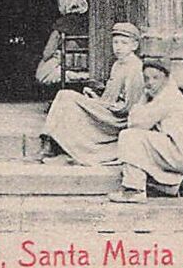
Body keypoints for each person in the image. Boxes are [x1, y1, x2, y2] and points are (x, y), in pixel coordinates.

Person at [40, 20, 145, 165]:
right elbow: (111, 96)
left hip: (117, 118)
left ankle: (51, 141)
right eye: (116, 43)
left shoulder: (134, 68)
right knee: (66, 96)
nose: (119, 47)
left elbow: (128, 107)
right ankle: (53, 140)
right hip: (107, 108)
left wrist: (99, 104)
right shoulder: (118, 64)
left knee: (66, 96)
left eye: (124, 43)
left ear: (134, 45)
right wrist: (96, 97)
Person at [110, 55, 183, 203]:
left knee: (128, 137)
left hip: (180, 153)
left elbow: (135, 123)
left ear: (167, 78)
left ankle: (134, 189)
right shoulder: (172, 95)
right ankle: (179, 185)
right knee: (145, 141)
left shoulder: (166, 98)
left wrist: (142, 99)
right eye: (147, 79)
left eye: (156, 78)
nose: (150, 83)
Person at [35, 0, 90, 88]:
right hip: (87, 62)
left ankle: (69, 76)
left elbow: (48, 52)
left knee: (41, 73)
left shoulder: (61, 24)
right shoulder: (90, 21)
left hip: (66, 62)